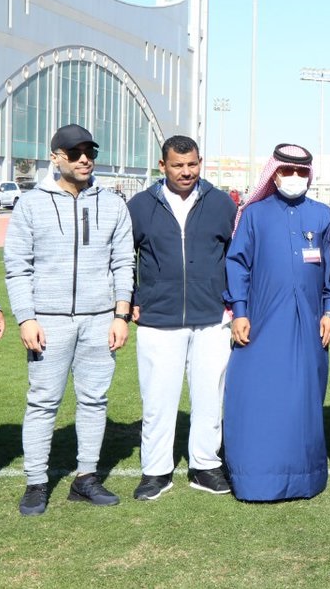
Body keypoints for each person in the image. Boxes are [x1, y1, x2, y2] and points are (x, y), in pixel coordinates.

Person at [4, 124, 134, 516]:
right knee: (43, 402)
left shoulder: (112, 204)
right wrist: (26, 318)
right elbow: (18, 267)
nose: (84, 159)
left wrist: (121, 314)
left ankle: (86, 479)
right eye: (74, 153)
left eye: (89, 152)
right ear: (55, 157)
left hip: (100, 320)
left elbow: (123, 262)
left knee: (94, 400)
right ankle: (35, 482)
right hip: (48, 321)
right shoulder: (30, 204)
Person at [222, 144, 330, 501]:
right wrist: (240, 311)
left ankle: (304, 478)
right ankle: (254, 478)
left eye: (302, 172)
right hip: (261, 320)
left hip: (309, 323)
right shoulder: (254, 214)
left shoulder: (322, 215)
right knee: (258, 395)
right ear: (274, 174)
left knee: (302, 398)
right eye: (288, 170)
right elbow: (237, 264)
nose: (295, 177)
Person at [127, 135, 237, 501]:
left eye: (192, 164)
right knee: (158, 399)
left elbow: (235, 257)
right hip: (158, 317)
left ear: (200, 162)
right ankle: (156, 471)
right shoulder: (140, 205)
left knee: (209, 397)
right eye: (177, 165)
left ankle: (205, 465)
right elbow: (124, 256)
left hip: (212, 317)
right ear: (163, 166)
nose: (186, 172)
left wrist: (233, 302)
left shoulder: (222, 203)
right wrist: (132, 297)